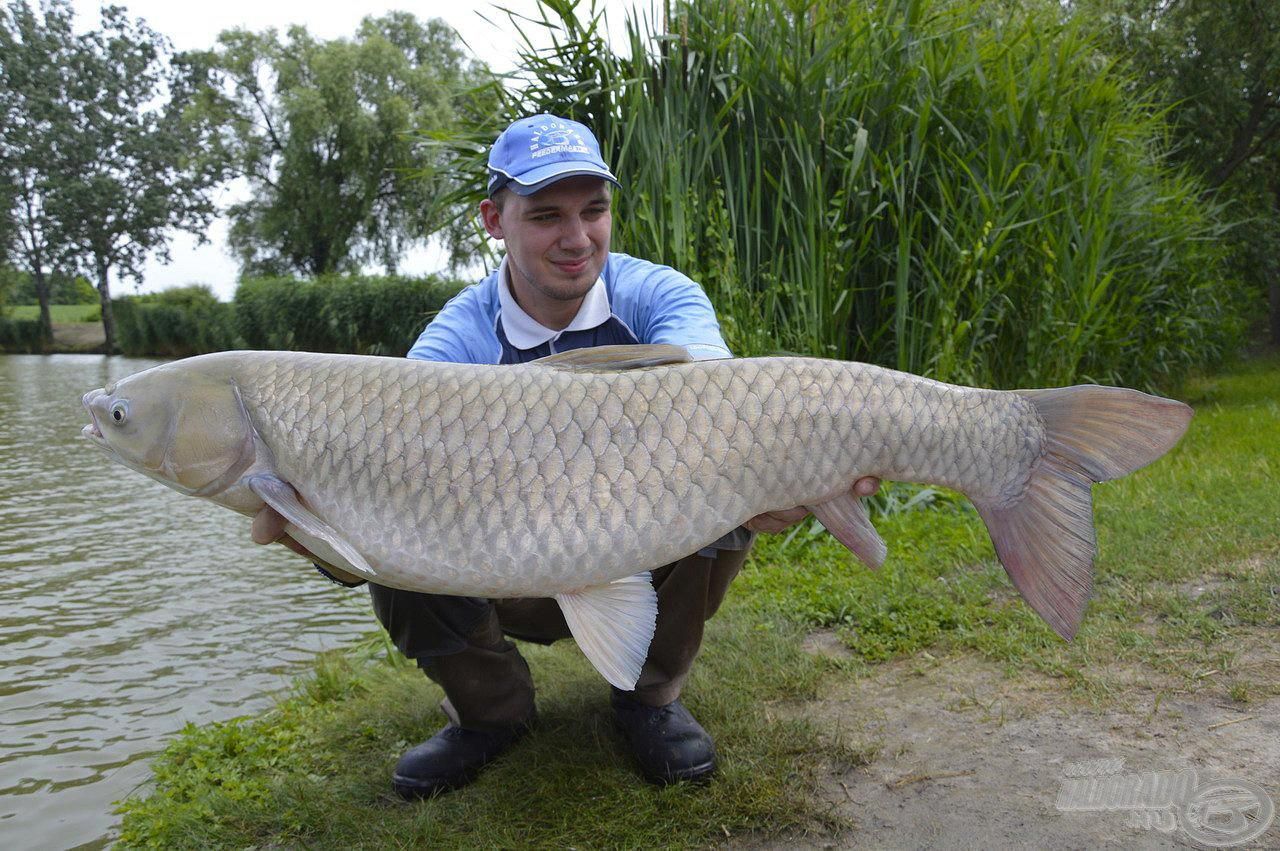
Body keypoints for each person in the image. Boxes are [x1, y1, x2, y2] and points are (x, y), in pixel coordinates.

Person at [251, 113, 879, 798]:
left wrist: (786, 476)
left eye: (594, 210)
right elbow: (389, 472)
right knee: (396, 534)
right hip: (502, 558)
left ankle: (649, 696)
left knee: (719, 490)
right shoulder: (453, 340)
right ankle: (492, 712)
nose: (577, 239)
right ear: (494, 219)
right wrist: (319, 527)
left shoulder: (660, 295)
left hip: (640, 537)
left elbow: (722, 402)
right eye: (547, 215)